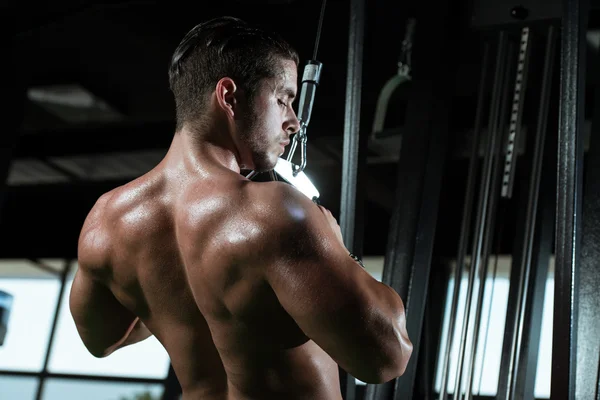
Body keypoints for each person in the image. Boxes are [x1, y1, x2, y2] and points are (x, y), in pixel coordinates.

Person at [69, 16, 412, 400]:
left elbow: (99, 340)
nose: (294, 122)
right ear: (229, 97)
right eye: (283, 98)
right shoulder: (275, 213)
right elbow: (387, 357)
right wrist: (339, 246)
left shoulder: (108, 221)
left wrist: (166, 296)